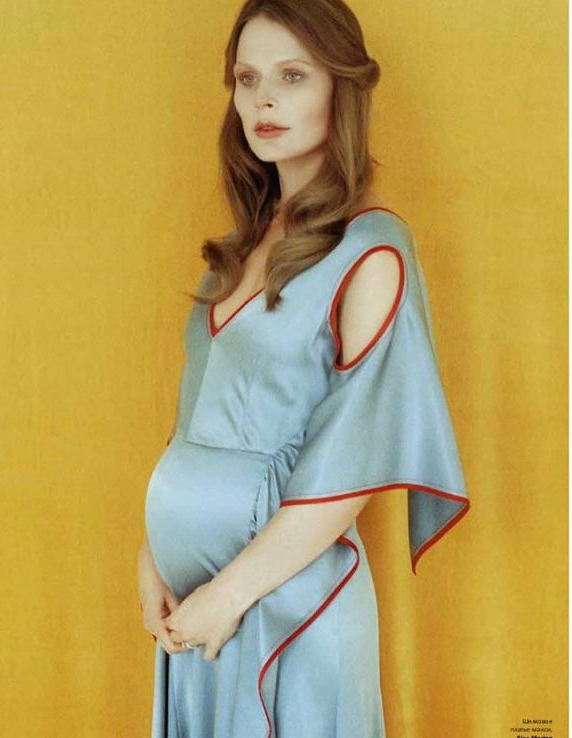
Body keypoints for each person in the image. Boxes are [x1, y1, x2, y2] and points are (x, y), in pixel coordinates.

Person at [138, 1, 470, 736]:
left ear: (339, 88)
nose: (263, 99)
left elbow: (349, 466)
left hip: (288, 609)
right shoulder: (241, 246)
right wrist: (153, 559)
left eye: (292, 76)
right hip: (195, 609)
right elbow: (192, 425)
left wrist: (228, 596)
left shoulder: (372, 249)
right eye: (247, 78)